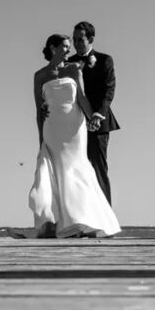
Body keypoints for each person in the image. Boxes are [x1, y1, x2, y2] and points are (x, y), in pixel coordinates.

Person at [28, 34, 121, 239]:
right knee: (52, 171)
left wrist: (93, 119)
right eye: (65, 46)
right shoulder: (40, 76)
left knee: (75, 170)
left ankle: (82, 221)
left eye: (70, 46)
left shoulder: (74, 69)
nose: (69, 50)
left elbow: (82, 98)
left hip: (74, 129)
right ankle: (57, 223)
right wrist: (40, 139)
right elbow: (38, 109)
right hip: (52, 128)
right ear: (53, 48)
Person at [67, 21, 119, 204]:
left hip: (99, 123)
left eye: (80, 39)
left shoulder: (105, 60)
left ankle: (105, 221)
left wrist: (99, 114)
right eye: (74, 39)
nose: (76, 43)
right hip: (74, 124)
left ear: (90, 39)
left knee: (98, 168)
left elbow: (109, 90)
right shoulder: (68, 63)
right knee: (76, 170)